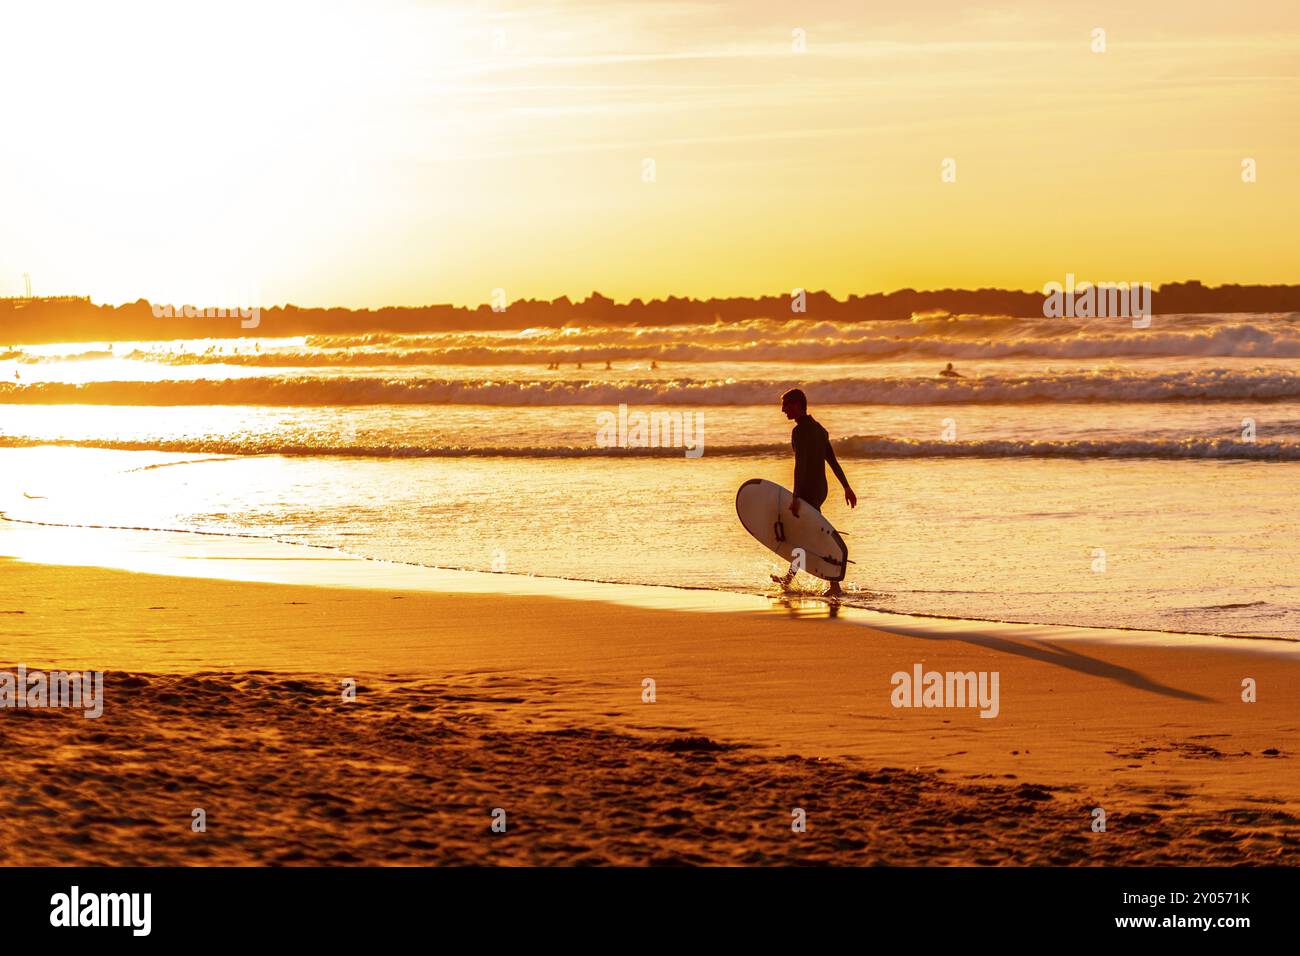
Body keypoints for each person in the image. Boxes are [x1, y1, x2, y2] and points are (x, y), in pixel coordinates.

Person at [773, 388, 856, 597]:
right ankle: (789, 578)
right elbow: (832, 461)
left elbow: (800, 466)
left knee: (812, 536)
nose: (783, 410)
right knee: (804, 534)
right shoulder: (820, 429)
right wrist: (846, 486)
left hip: (808, 490)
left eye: (787, 405)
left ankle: (834, 585)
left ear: (799, 404)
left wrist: (795, 496)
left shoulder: (799, 432)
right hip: (821, 488)